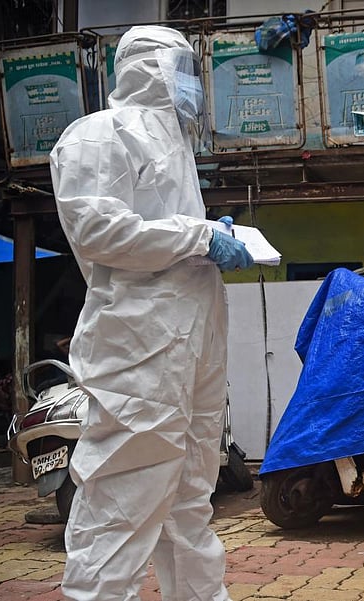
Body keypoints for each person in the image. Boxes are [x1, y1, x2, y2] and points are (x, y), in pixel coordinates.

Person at [49, 25, 253, 601]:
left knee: (189, 498)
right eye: (181, 69)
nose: (191, 84)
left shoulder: (179, 152)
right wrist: (199, 236)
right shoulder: (98, 134)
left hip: (192, 352)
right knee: (122, 497)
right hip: (138, 351)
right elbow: (97, 229)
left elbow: (164, 239)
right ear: (150, 68)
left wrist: (211, 239)